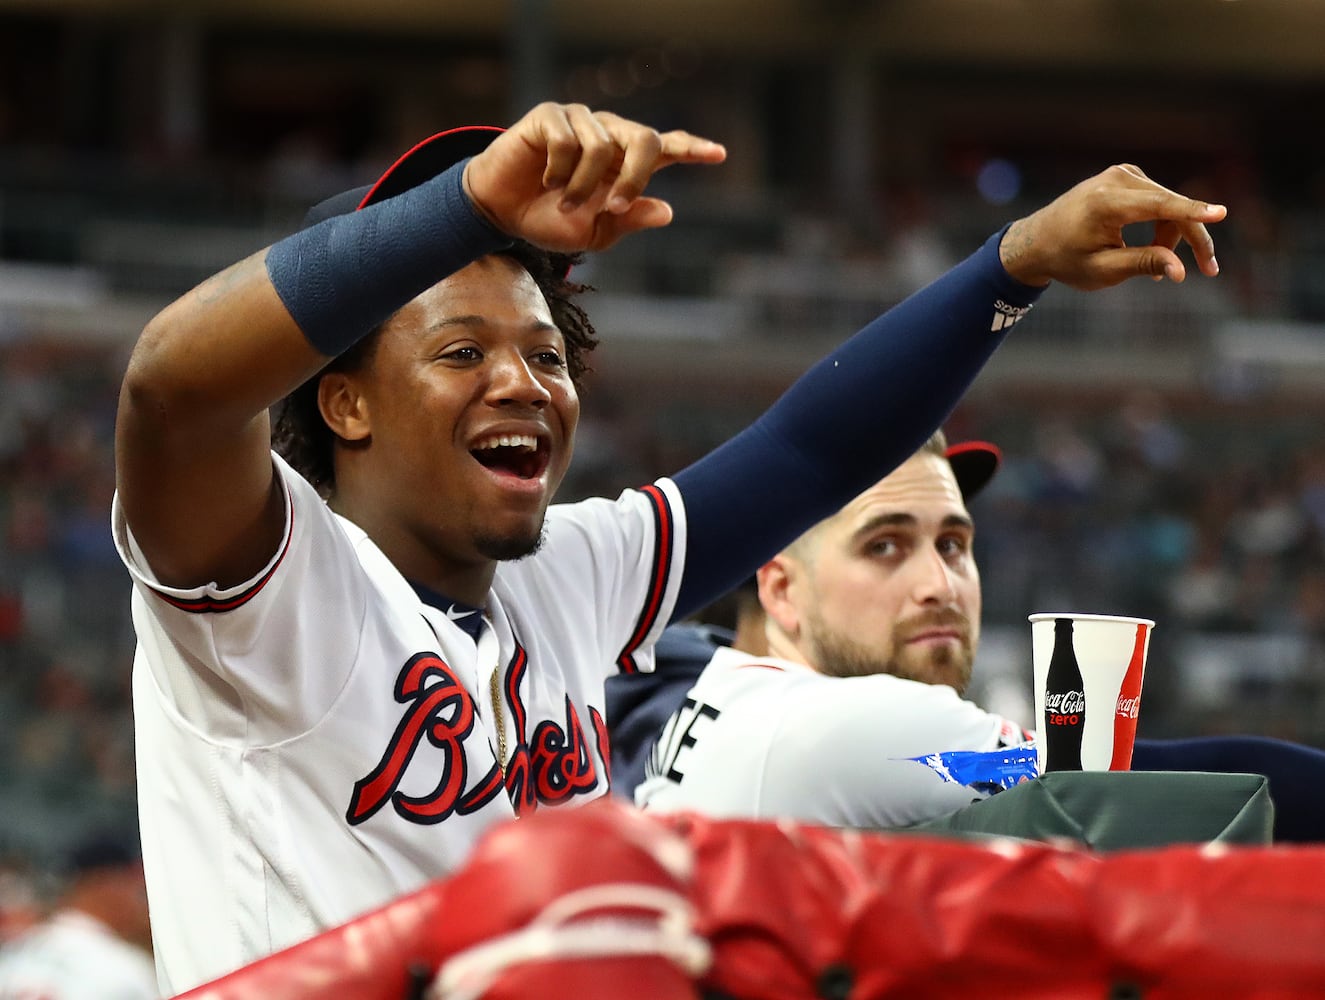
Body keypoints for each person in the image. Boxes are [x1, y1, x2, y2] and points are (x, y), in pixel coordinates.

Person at [112, 98, 1225, 993]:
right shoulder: (270, 585)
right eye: (460, 351)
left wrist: (1009, 266)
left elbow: (805, 453)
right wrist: (464, 205)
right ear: (344, 404)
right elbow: (171, 391)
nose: (522, 382)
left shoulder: (556, 578)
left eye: (547, 355)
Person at [626, 433, 1325, 842]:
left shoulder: (715, 681)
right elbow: (1156, 783)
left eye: (954, 543)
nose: (941, 584)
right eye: (884, 546)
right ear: (779, 588)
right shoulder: (858, 725)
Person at [0, 833, 157, 1000]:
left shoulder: (14, 953)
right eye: (136, 885)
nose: (141, 897)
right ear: (106, 882)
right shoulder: (126, 968)